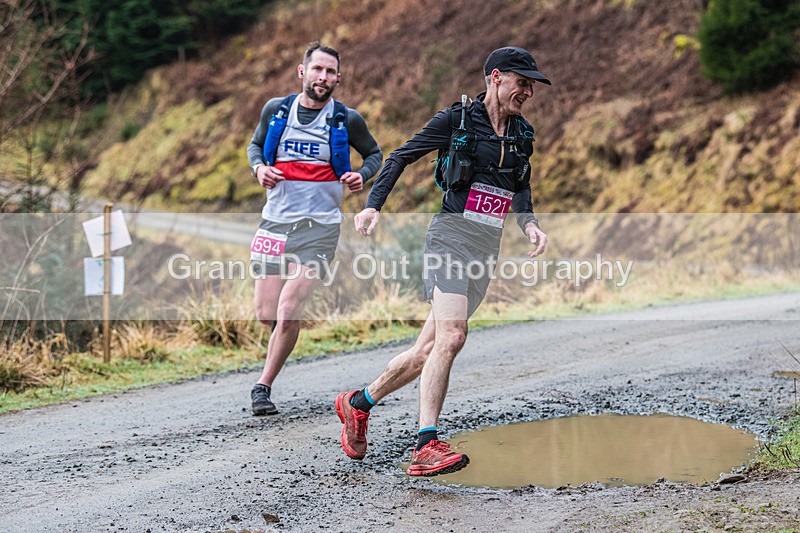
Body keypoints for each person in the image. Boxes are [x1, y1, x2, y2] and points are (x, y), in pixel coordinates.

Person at [335, 46, 550, 475]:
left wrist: (529, 225)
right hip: (449, 238)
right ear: (495, 77)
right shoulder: (456, 120)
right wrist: (373, 205)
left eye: (531, 85)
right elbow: (400, 156)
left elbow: (520, 187)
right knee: (453, 335)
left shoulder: (522, 134)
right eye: (521, 81)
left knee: (426, 350)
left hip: (483, 249)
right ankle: (425, 444)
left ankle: (357, 404)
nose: (527, 91)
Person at [246, 42, 382, 416]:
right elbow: (255, 147)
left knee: (290, 309)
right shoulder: (276, 110)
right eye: (317, 69)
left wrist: (361, 175)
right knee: (266, 313)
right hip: (275, 223)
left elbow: (375, 154)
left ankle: (263, 387)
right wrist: (259, 168)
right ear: (301, 71)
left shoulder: (345, 118)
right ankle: (283, 342)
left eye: (331, 72)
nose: (324, 77)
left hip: (320, 228)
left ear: (338, 78)